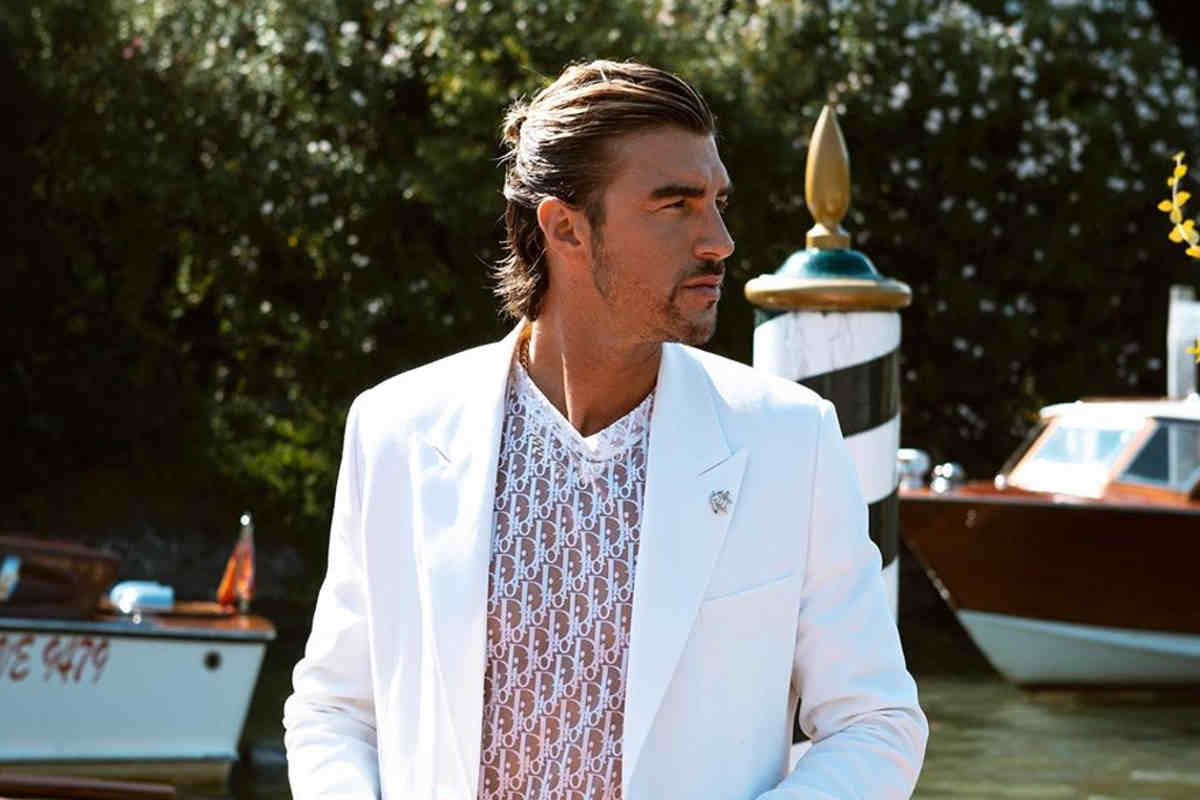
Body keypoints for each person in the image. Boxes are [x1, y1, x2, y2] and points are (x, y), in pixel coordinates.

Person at [283, 59, 927, 800]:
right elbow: (335, 709)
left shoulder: (791, 440)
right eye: (676, 205)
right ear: (566, 227)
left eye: (717, 202)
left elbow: (876, 722)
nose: (719, 240)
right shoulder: (395, 430)